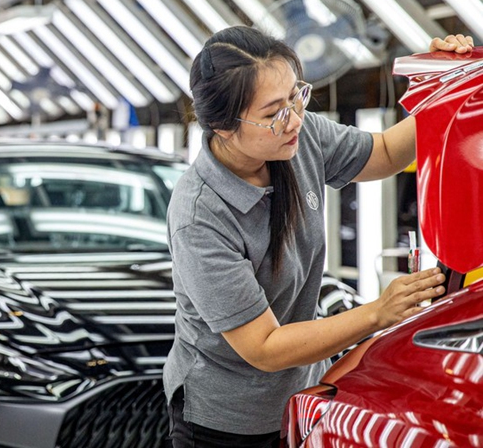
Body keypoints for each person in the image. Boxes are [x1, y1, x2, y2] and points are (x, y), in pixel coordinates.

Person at [163, 26, 474, 448]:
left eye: (296, 97)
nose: (294, 119)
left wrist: (450, 90)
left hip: (303, 396)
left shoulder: (298, 135)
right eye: (273, 113)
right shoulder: (199, 215)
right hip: (228, 421)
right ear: (222, 126)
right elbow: (265, 346)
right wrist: (378, 312)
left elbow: (384, 153)